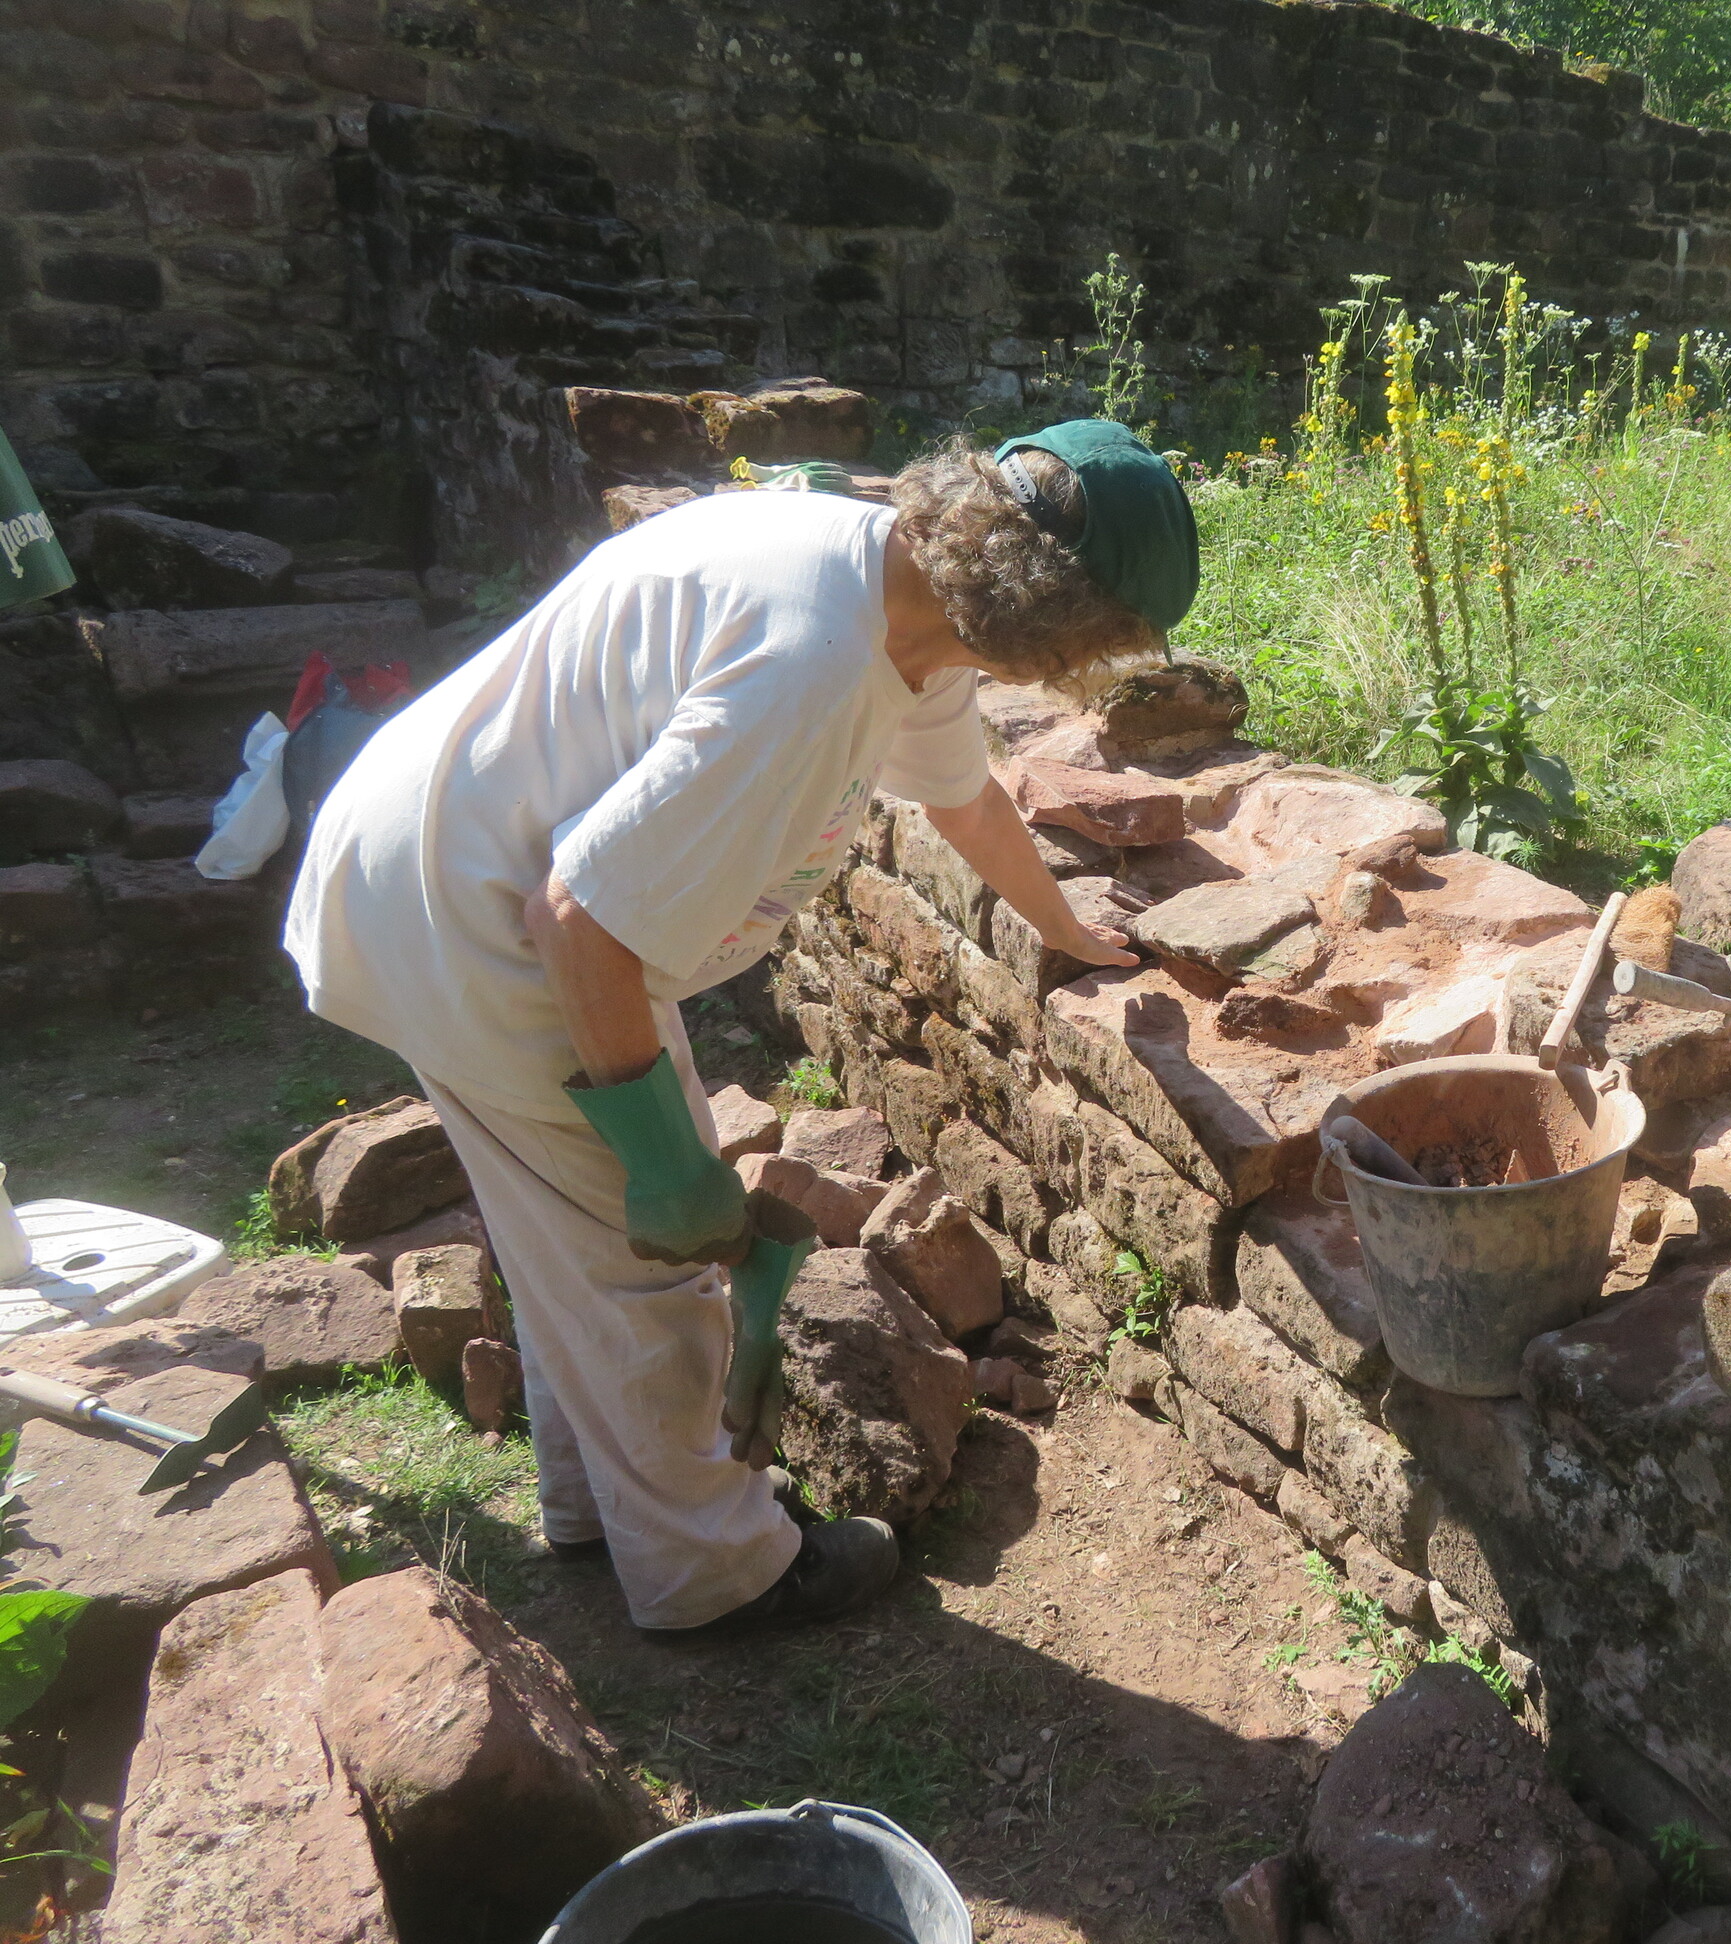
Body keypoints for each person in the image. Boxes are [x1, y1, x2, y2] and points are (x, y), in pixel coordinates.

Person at [286, 421, 1199, 1637]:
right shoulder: (811, 668)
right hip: (482, 924)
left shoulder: (904, 597)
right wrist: (670, 1169)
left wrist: (1066, 928)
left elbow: (966, 798)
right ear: (1056, 620)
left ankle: (596, 1508)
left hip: (458, 865)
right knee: (649, 1271)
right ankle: (718, 1574)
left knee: (571, 1238)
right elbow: (577, 921)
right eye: (1099, 646)